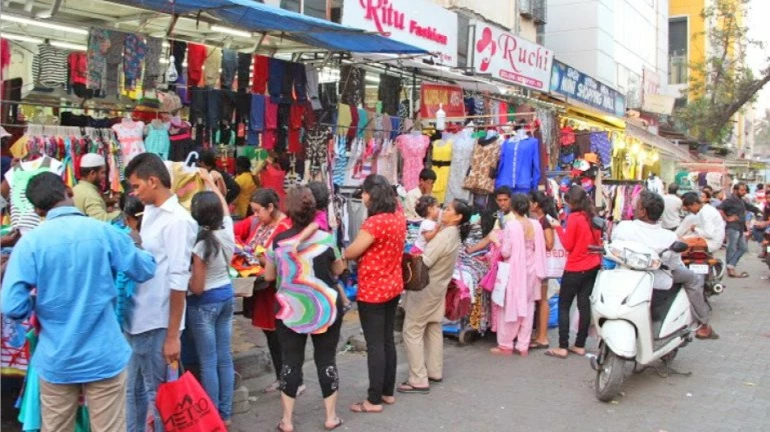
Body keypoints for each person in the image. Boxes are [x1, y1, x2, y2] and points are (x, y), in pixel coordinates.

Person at [2, 172, 156, 432]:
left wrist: (39, 305)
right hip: (104, 355)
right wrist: (137, 244)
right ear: (69, 191)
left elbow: (11, 306)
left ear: (38, 209)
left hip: (57, 358)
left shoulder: (29, 244)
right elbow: (145, 270)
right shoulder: (104, 232)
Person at [124, 153, 198, 432]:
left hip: (157, 323)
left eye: (136, 186)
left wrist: (171, 336)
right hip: (136, 318)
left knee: (161, 397)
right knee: (133, 392)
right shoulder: (151, 212)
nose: (134, 192)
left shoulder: (179, 220)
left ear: (153, 181)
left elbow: (179, 280)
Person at [264, 187, 346, 432]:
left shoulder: (278, 241)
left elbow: (269, 276)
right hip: (325, 307)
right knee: (326, 359)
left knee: (290, 362)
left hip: (290, 310)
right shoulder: (326, 239)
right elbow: (339, 269)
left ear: (288, 212)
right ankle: (331, 417)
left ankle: (287, 421)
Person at [613, 191, 718, 339]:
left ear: (642, 211)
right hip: (658, 279)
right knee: (693, 279)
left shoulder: (624, 228)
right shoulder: (668, 237)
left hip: (625, 277)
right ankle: (704, 323)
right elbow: (674, 264)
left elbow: (614, 246)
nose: (633, 208)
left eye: (636, 206)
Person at [344, 174, 406, 414]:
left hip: (373, 291)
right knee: (387, 340)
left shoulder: (375, 223)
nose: (363, 196)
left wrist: (344, 252)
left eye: (366, 192)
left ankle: (373, 400)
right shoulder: (397, 217)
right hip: (392, 286)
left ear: (374, 195)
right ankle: (387, 393)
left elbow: (352, 252)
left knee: (375, 345)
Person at [232, 188, 302, 394]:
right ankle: (282, 378)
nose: (254, 215)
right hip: (262, 289)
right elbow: (234, 231)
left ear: (270, 207)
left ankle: (293, 380)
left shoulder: (285, 227)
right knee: (271, 336)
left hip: (279, 290)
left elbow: (281, 259)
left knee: (283, 336)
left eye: (257, 211)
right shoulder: (258, 222)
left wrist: (251, 253)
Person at [398, 199, 472, 394]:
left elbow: (425, 263)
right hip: (438, 287)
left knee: (412, 330)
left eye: (448, 209)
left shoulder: (445, 236)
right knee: (432, 327)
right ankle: (434, 370)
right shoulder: (452, 234)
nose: (443, 211)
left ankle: (418, 378)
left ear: (458, 217)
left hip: (426, 289)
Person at [187, 170, 237, 426]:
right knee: (224, 357)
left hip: (204, 303)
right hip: (227, 296)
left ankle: (213, 415)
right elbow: (225, 208)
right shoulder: (227, 231)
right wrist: (210, 182)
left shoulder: (200, 245)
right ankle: (225, 414)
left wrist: (181, 282)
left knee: (208, 362)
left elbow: (196, 287)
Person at [545, 186, 602, 359]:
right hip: (592, 266)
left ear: (572, 202)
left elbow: (568, 245)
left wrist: (557, 228)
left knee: (564, 305)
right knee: (584, 305)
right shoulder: (594, 218)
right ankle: (579, 345)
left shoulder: (574, 218)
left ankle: (562, 346)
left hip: (575, 267)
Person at [490, 194, 547, 356]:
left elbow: (506, 252)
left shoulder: (511, 225)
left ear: (513, 207)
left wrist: (496, 242)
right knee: (528, 306)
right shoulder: (535, 225)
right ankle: (523, 345)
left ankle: (506, 344)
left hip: (515, 270)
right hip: (532, 269)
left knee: (510, 305)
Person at [292, 181, 352, 311]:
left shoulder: (319, 215)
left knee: (332, 277)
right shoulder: (322, 213)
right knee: (333, 277)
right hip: (326, 248)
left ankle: (344, 301)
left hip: (324, 248)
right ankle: (344, 301)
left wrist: (298, 239)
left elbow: (313, 227)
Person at [529, 190, 558, 350]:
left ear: (536, 204)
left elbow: (549, 243)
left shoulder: (545, 221)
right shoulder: (542, 220)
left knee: (543, 300)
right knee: (540, 300)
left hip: (544, 264)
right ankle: (539, 335)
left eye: (530, 202)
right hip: (542, 263)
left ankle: (543, 337)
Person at [718, 183, 757, 278]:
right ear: (735, 190)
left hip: (740, 227)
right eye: (741, 190)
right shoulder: (729, 200)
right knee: (731, 247)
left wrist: (760, 211)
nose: (744, 192)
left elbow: (750, 207)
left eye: (744, 190)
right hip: (732, 227)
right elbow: (719, 209)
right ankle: (730, 269)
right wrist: (727, 218)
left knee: (743, 248)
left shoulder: (741, 200)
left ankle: (731, 264)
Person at [72, 153, 122, 222]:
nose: (104, 176)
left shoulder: (75, 189)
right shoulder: (90, 194)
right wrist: (121, 213)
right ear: (92, 173)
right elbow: (102, 220)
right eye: (102, 173)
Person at [466, 186, 514, 254]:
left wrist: (470, 250)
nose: (502, 203)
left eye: (505, 200)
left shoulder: (515, 216)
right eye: (499, 200)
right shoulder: (500, 215)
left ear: (511, 199)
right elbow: (490, 236)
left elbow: (491, 236)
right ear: (496, 201)